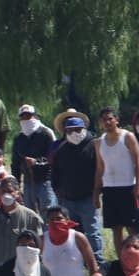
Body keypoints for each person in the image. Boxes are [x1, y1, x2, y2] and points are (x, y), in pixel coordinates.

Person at [50, 109, 103, 262]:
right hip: (68, 200)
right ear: (65, 132)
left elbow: (100, 170)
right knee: (73, 232)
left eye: (77, 130)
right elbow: (55, 174)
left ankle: (98, 262)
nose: (74, 133)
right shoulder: (61, 150)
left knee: (92, 231)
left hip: (88, 197)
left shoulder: (94, 146)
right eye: (70, 131)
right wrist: (59, 193)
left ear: (84, 129)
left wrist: (97, 192)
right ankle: (78, 260)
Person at [94, 107, 139, 254]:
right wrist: (96, 193)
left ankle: (138, 254)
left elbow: (138, 161)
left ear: (116, 120)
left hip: (128, 186)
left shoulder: (128, 137)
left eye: (110, 118)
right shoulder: (98, 142)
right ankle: (121, 259)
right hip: (109, 188)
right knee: (116, 228)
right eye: (104, 120)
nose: (108, 122)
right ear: (100, 123)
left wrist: (138, 185)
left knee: (131, 226)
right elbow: (100, 168)